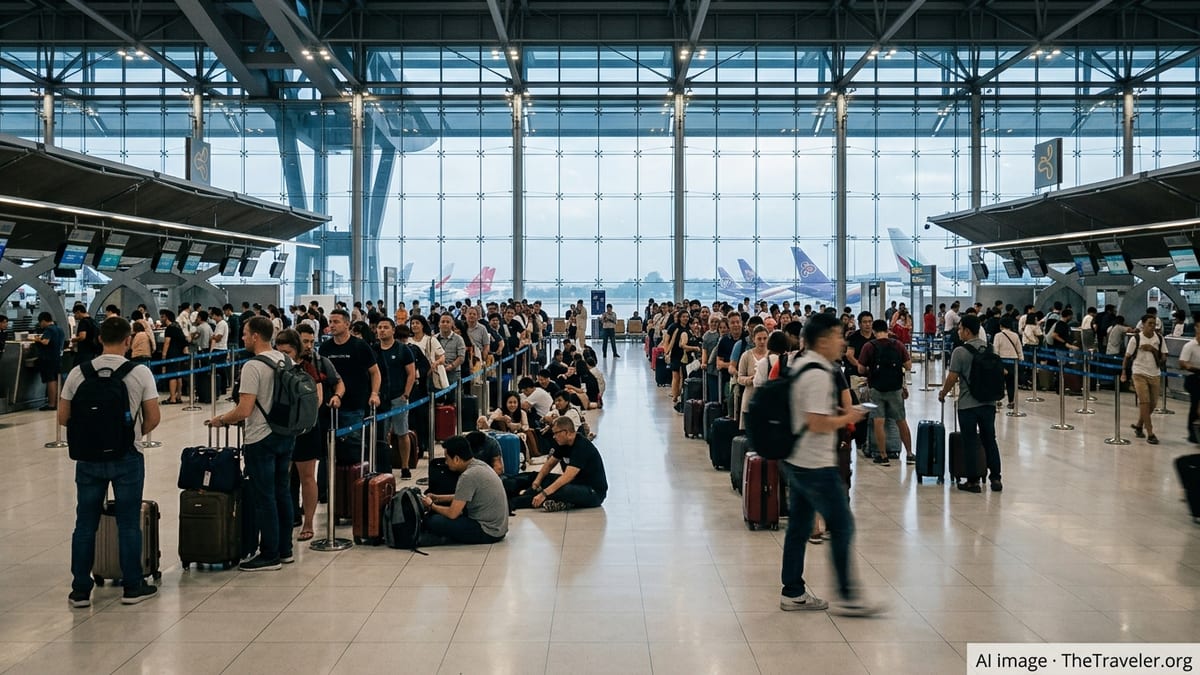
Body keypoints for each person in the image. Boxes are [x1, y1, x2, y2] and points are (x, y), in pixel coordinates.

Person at [778, 312, 880, 616]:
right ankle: (849, 596)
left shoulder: (802, 365)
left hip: (798, 459)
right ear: (822, 340)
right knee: (843, 525)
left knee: (798, 527)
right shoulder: (818, 373)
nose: (842, 341)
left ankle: (792, 592)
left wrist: (835, 410)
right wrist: (848, 417)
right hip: (814, 465)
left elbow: (808, 411)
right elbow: (815, 422)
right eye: (837, 336)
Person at [61, 317, 161, 607]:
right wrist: (129, 436)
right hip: (127, 456)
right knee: (129, 523)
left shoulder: (78, 373)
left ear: (99, 339)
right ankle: (132, 586)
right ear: (128, 341)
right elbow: (153, 417)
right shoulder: (140, 373)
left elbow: (62, 417)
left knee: (85, 524)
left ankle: (80, 589)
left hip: (88, 458)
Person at [208, 316, 297, 571]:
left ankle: (269, 554)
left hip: (260, 438)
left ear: (256, 336)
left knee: (264, 496)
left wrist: (220, 420)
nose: (243, 338)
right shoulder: (286, 359)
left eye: (246, 334)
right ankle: (285, 549)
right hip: (284, 435)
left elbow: (244, 410)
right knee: (282, 492)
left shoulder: (252, 367)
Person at [938, 314, 1003, 493]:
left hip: (968, 405)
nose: (958, 332)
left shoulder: (960, 351)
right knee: (990, 439)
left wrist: (943, 393)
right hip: (988, 403)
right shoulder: (989, 349)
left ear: (967, 330)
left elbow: (952, 377)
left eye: (960, 329)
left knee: (970, 441)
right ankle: (996, 478)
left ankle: (973, 481)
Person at [418, 435, 508, 545]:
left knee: (433, 521)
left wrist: (432, 505)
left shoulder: (468, 476)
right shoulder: (479, 465)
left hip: (487, 531)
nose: (446, 463)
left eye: (447, 459)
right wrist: (438, 498)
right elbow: (464, 496)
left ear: (456, 459)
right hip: (499, 529)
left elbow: (453, 514)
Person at [319, 308, 382, 457]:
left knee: (353, 446)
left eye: (336, 322)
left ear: (347, 324)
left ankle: (354, 478)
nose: (332, 325)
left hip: (354, 405)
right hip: (331, 405)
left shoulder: (360, 346)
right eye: (330, 322)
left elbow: (375, 372)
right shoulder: (325, 348)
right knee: (330, 448)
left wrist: (374, 393)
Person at [513, 417, 607, 511]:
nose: (554, 436)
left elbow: (567, 476)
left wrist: (544, 493)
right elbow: (549, 464)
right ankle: (529, 494)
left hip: (593, 492)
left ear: (566, 432)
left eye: (556, 433)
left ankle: (519, 501)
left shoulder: (581, 446)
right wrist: (537, 481)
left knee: (557, 490)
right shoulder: (563, 444)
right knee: (544, 479)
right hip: (576, 483)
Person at [856, 319, 914, 465]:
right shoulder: (898, 344)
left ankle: (882, 456)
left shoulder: (869, 346)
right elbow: (908, 365)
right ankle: (909, 453)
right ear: (887, 330)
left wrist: (871, 369)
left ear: (874, 331)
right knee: (901, 421)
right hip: (895, 389)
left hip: (876, 388)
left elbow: (861, 370)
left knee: (878, 422)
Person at [374, 318, 414, 478]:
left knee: (402, 432)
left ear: (393, 330)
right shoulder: (374, 350)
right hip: (380, 398)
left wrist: (406, 393)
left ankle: (405, 465)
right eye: (379, 327)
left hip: (399, 397)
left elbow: (411, 373)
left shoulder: (403, 350)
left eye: (385, 327)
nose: (382, 330)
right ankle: (386, 464)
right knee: (383, 436)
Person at [1122, 315, 1166, 445]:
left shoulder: (1159, 338)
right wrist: (1124, 371)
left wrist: (1152, 349)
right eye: (1150, 323)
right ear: (1143, 324)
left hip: (1155, 373)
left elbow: (1164, 357)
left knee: (1152, 404)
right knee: (1144, 402)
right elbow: (1127, 356)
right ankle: (1150, 433)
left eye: (1154, 324)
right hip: (1139, 372)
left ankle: (1139, 425)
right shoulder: (1136, 339)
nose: (1152, 326)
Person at [33, 311, 66, 411]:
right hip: (58, 358)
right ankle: (58, 402)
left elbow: (45, 342)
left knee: (50, 381)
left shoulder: (49, 330)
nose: (40, 325)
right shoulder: (60, 329)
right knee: (57, 380)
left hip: (48, 359)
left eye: (40, 322)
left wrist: (38, 339)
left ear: (43, 321)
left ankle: (51, 404)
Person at [159, 309, 188, 405]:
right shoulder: (177, 326)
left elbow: (167, 343)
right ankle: (178, 396)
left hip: (172, 354)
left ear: (166, 317)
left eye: (162, 316)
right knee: (178, 375)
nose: (161, 319)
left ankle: (172, 398)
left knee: (172, 376)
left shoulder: (169, 328)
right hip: (180, 354)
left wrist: (163, 356)